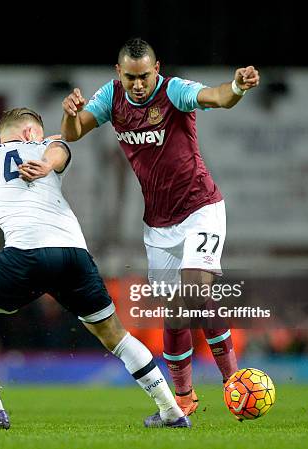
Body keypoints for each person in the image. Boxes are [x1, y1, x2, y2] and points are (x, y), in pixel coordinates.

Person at [0, 108, 190, 430]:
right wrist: (47, 163)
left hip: (24, 254)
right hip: (73, 254)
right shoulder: (45, 148)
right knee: (115, 334)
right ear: (32, 133)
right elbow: (59, 149)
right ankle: (171, 410)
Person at [60, 38, 260, 415]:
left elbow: (217, 97)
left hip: (201, 207)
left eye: (145, 77)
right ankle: (184, 398)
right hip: (158, 224)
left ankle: (236, 384)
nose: (139, 85)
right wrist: (71, 113)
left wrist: (235, 87)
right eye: (131, 77)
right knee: (174, 311)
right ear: (119, 73)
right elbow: (72, 133)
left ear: (157, 69)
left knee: (196, 289)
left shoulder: (174, 91)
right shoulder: (111, 97)